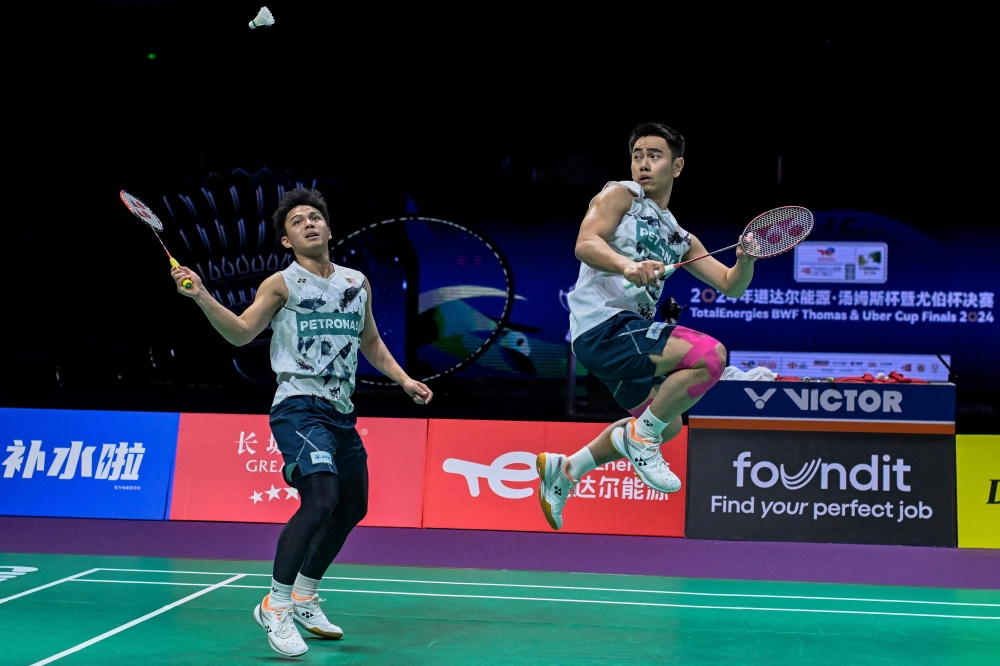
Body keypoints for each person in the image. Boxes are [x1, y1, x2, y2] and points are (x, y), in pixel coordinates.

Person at [170, 188, 432, 657]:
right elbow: (241, 332)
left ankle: (306, 595)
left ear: (329, 230)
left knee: (353, 506)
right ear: (287, 241)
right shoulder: (281, 284)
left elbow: (370, 342)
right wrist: (203, 296)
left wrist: (404, 379)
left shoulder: (357, 282)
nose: (309, 224)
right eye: (297, 222)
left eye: (316, 218)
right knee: (321, 498)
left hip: (341, 410)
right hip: (297, 405)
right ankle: (276, 604)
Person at [536, 122, 756, 530]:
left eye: (654, 155)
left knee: (666, 422)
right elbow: (586, 243)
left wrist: (745, 259)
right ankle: (641, 440)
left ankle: (567, 470)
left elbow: (730, 286)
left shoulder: (679, 237)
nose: (643, 163)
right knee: (710, 356)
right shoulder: (620, 194)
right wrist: (628, 265)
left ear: (677, 166)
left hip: (624, 337)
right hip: (604, 326)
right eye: (637, 154)